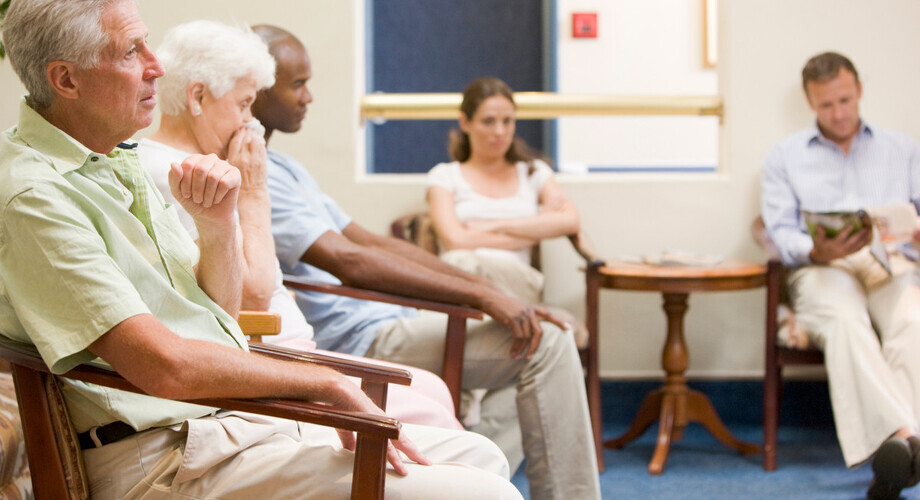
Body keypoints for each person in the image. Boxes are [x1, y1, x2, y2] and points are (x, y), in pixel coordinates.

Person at [0, 1, 522, 498]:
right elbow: (165, 367)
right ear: (66, 79)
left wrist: (218, 224)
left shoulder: (115, 159)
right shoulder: (33, 195)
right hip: (161, 458)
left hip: (221, 423)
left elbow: (221, 320)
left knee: (479, 456)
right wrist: (324, 383)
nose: (157, 68)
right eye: (132, 51)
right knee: (486, 491)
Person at [252, 25, 601, 500]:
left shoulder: (287, 168)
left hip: (394, 319)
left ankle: (459, 478)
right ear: (254, 86)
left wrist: (502, 298)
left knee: (536, 350)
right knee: (547, 347)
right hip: (359, 339)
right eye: (297, 84)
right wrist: (485, 294)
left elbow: (374, 242)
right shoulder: (256, 174)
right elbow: (351, 262)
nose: (309, 96)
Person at [139, 19, 461, 431]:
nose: (249, 124)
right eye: (243, 105)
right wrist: (254, 192)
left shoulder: (206, 164)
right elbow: (253, 297)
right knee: (433, 416)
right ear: (197, 96)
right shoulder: (181, 174)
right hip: (263, 364)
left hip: (290, 352)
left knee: (432, 390)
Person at [761, 51, 920, 500]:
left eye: (845, 101)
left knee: (913, 321)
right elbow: (780, 231)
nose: (839, 113)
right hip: (823, 267)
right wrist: (815, 247)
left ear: (859, 91)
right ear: (811, 102)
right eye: (826, 105)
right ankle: (906, 440)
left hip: (893, 263)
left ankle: (897, 453)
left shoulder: (903, 148)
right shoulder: (784, 157)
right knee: (845, 322)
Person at [426, 76, 580, 306]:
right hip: (460, 280)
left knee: (460, 263)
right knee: (459, 262)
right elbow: (456, 241)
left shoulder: (534, 172)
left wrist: (492, 226)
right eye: (488, 121)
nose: (499, 131)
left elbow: (569, 221)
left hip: (517, 281)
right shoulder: (444, 176)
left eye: (507, 121)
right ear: (465, 123)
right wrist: (536, 226)